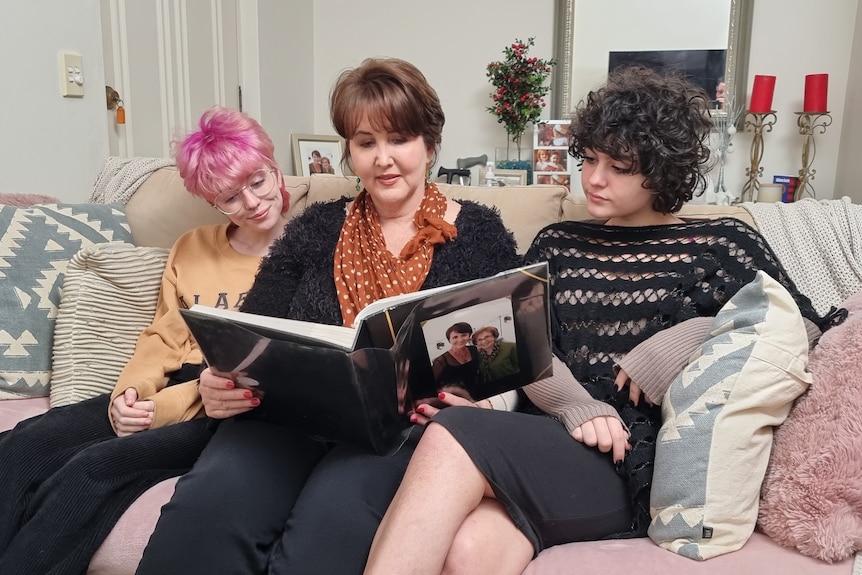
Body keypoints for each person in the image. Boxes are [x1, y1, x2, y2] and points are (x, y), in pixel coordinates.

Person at [364, 66, 841, 575]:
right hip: (544, 436)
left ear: (662, 170)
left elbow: (803, 325)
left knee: (453, 433)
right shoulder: (558, 243)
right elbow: (513, 340)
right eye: (590, 158)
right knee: (469, 549)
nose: (593, 178)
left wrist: (687, 340)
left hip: (626, 463)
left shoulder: (720, 244)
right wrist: (571, 404)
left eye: (619, 165)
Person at [134, 57, 520, 575]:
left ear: (429, 144)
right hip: (288, 419)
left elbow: (508, 360)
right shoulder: (316, 227)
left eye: (399, 139)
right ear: (350, 153)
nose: (383, 160)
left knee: (325, 534)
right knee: (208, 511)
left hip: (401, 433)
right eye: (365, 143)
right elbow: (252, 330)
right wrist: (216, 382)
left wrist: (484, 404)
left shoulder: (480, 234)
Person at [0, 106, 292, 575]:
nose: (253, 203)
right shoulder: (194, 245)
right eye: (230, 198)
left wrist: (163, 408)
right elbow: (163, 333)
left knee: (88, 471)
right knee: (23, 443)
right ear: (213, 202)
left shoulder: (305, 251)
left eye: (258, 182)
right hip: (170, 382)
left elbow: (262, 369)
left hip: (225, 406)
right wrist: (130, 393)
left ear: (273, 165)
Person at [431, 322, 480, 394]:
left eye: (463, 335)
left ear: (469, 335)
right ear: (449, 340)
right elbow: (432, 386)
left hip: (477, 390)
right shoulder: (441, 360)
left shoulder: (473, 349)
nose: (460, 340)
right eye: (455, 337)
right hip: (455, 396)